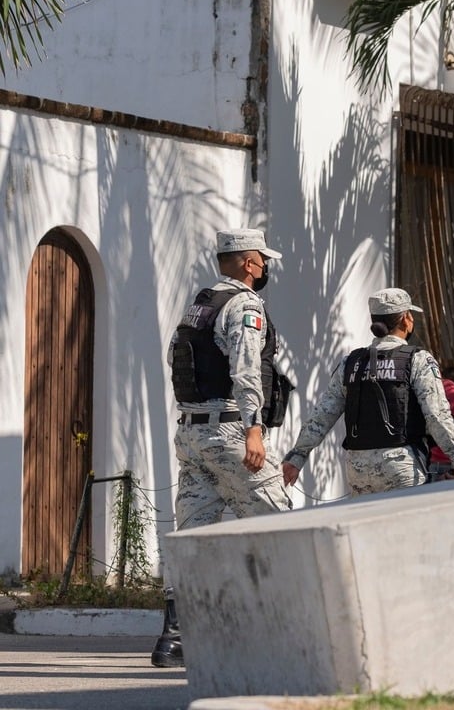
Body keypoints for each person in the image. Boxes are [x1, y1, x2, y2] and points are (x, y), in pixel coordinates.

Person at [151, 228, 292, 668]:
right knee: (282, 526)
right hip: (230, 432)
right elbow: (247, 369)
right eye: (263, 260)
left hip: (192, 436)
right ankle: (288, 632)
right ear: (250, 263)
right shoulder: (245, 305)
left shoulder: (201, 303)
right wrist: (254, 428)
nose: (266, 268)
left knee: (192, 535)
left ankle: (174, 638)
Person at [282, 288, 454, 496]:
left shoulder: (351, 363)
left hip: (358, 471)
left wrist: (297, 457)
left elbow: (322, 416)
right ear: (406, 320)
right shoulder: (418, 359)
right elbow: (436, 415)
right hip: (402, 467)